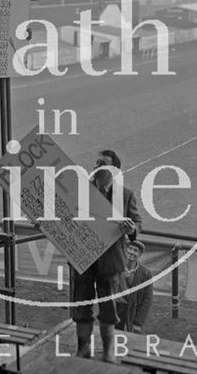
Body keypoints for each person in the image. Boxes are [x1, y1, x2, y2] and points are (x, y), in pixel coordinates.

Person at [71, 149, 142, 364]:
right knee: (81, 303)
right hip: (83, 256)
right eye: (95, 163)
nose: (95, 167)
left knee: (108, 306)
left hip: (110, 260)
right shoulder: (81, 191)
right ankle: (83, 349)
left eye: (101, 164)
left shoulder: (126, 194)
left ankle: (108, 351)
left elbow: (137, 223)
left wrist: (131, 229)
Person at [116, 240, 153, 334]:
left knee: (131, 339)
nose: (131, 252)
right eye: (130, 248)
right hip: (115, 308)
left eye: (135, 250)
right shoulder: (115, 267)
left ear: (140, 255)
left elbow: (147, 299)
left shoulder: (145, 273)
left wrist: (138, 322)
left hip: (132, 310)